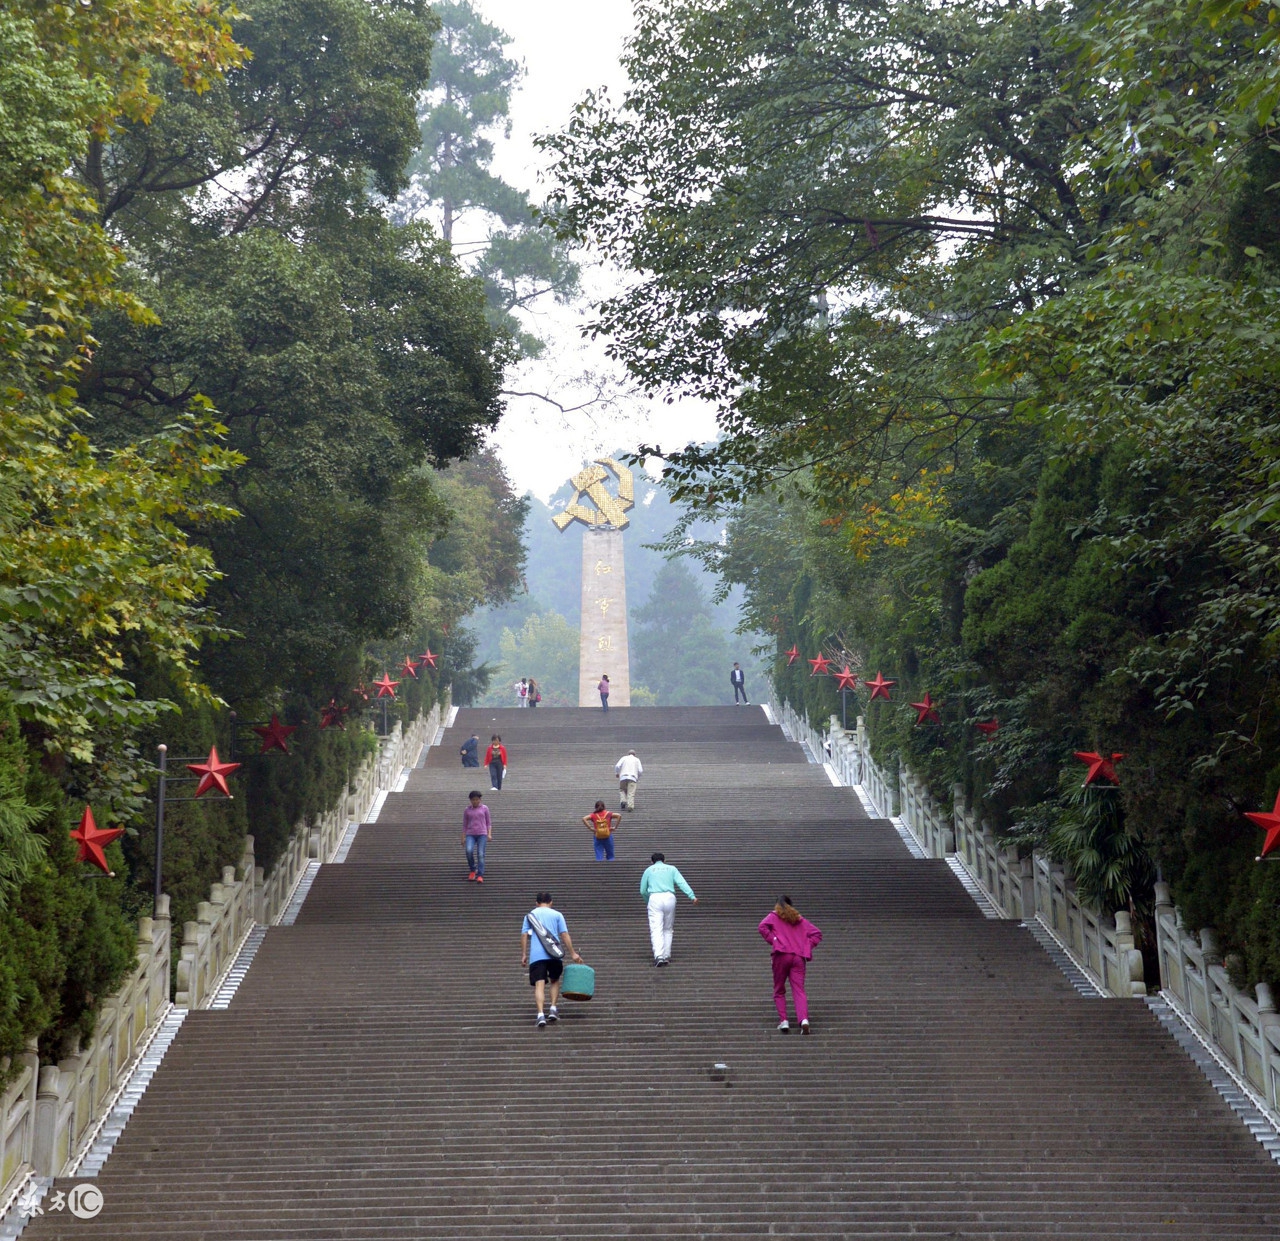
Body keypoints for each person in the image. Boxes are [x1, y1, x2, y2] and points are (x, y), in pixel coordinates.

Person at [758, 895, 823, 1034]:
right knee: (799, 990)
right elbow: (817, 934)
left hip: (781, 955)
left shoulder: (774, 916)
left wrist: (774, 940)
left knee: (779, 989)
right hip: (798, 957)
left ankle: (784, 1021)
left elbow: (762, 926)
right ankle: (804, 1020)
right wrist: (805, 946)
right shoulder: (799, 919)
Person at [521, 892, 583, 1029]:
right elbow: (564, 934)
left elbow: (524, 934)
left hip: (537, 956)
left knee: (539, 984)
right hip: (554, 954)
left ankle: (540, 1015)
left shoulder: (530, 916)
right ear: (551, 902)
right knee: (554, 980)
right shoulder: (557, 915)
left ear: (536, 903)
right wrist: (573, 953)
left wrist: (524, 954)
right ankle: (553, 1008)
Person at [639, 852, 697, 966]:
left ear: (652, 861)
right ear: (664, 860)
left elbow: (642, 890)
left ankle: (659, 955)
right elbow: (681, 882)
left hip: (655, 898)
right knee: (668, 928)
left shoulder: (649, 870)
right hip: (670, 897)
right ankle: (666, 955)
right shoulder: (672, 869)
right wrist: (692, 896)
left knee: (656, 928)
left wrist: (648, 901)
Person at [461, 791, 492, 883]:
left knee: (481, 854)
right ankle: (473, 869)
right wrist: (462, 837)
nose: (475, 801)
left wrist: (489, 834)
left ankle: (480, 874)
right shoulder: (467, 810)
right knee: (469, 851)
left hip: (482, 833)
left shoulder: (485, 808)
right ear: (470, 800)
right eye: (473, 800)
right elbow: (465, 825)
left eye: (477, 799)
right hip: (470, 834)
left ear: (480, 800)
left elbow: (488, 823)